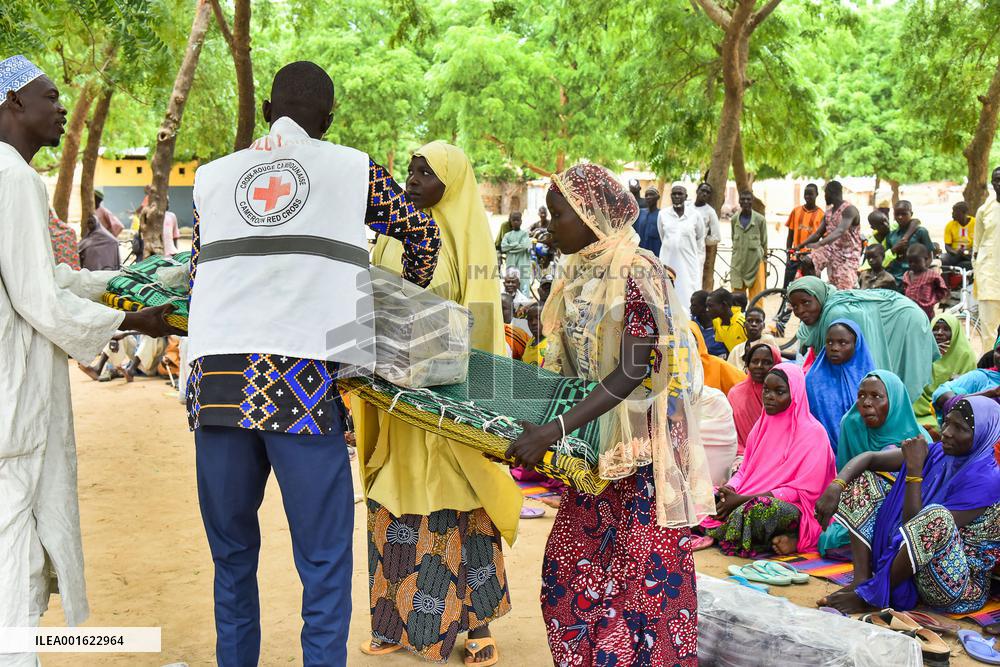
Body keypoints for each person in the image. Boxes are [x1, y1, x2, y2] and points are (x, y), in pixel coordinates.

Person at [185, 62, 442, 666]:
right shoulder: (353, 169)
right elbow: (422, 235)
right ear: (328, 120)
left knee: (231, 558)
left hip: (217, 384)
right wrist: (395, 310)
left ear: (268, 104)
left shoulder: (214, 179)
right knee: (323, 563)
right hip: (297, 386)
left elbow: (199, 273)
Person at [0, 55, 178, 666]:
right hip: (11, 412)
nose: (59, 109)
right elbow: (37, 300)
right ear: (13, 104)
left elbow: (44, 277)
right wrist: (134, 319)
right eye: (49, 97)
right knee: (14, 571)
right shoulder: (13, 178)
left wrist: (120, 284)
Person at [507, 163, 712, 667]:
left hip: (639, 457)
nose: (548, 225)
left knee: (641, 588)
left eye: (557, 215)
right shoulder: (577, 272)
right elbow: (567, 372)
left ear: (590, 216)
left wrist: (553, 430)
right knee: (568, 577)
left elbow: (635, 370)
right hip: (594, 449)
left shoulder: (638, 271)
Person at [364, 141, 515, 663]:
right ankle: (394, 623)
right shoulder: (390, 234)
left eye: (424, 173)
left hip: (450, 403)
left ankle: (477, 630)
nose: (411, 181)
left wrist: (484, 406)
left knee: (463, 501)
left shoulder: (469, 244)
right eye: (409, 171)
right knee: (397, 496)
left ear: (450, 181)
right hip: (398, 405)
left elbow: (484, 323)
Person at [816, 397, 1000, 616]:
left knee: (936, 517)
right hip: (916, 570)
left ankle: (871, 596)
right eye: (947, 422)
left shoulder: (987, 479)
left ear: (982, 434)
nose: (947, 432)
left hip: (958, 588)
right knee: (864, 480)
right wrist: (836, 485)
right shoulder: (940, 453)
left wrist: (914, 470)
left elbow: (914, 528)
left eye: (959, 428)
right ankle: (862, 580)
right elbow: (870, 458)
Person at [704, 364, 836, 556]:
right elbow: (744, 471)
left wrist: (742, 499)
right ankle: (747, 532)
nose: (769, 396)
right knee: (708, 495)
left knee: (760, 510)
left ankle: (783, 535)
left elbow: (801, 492)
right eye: (766, 389)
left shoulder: (814, 434)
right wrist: (731, 489)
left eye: (779, 391)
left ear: (795, 395)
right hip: (748, 494)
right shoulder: (761, 427)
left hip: (796, 507)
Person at [816, 370, 932, 555]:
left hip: (903, 513)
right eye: (861, 396)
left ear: (895, 401)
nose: (866, 403)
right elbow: (847, 478)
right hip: (861, 507)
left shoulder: (918, 438)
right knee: (830, 541)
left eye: (876, 396)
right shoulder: (852, 425)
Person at [787, 276, 937, 401]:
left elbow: (868, 353)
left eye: (806, 302)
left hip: (905, 319)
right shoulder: (818, 313)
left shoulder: (836, 314)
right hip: (892, 314)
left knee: (893, 381)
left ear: (818, 296)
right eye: (794, 306)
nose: (800, 311)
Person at [805, 319, 876, 453]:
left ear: (856, 345)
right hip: (821, 451)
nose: (834, 348)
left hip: (863, 452)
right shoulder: (813, 380)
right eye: (829, 342)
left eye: (843, 343)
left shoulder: (869, 379)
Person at [913, 315, 978, 429]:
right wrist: (931, 354)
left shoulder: (965, 355)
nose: (939, 332)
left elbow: (972, 388)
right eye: (935, 328)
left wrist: (959, 380)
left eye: (946, 329)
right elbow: (914, 381)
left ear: (955, 333)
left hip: (950, 408)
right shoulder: (922, 351)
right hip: (920, 406)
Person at [796, 181, 861, 290]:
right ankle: (813, 289)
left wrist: (820, 243)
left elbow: (840, 230)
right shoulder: (829, 213)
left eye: (825, 194)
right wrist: (801, 245)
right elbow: (817, 234)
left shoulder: (849, 210)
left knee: (842, 290)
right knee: (808, 261)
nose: (825, 197)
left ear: (831, 193)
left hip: (847, 257)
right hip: (831, 252)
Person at [726, 342, 782, 456]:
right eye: (755, 361)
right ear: (747, 364)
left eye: (767, 362)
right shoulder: (735, 394)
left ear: (776, 364)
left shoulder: (784, 395)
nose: (759, 366)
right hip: (742, 456)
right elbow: (730, 433)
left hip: (778, 455)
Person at [930, 336, 1000, 422]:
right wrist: (988, 394)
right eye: (999, 350)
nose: (940, 333)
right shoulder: (982, 378)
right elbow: (940, 393)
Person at [657, 183, 705, 305]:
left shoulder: (695, 215)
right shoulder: (663, 214)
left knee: (688, 293)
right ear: (670, 196)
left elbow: (700, 239)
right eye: (674, 194)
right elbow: (663, 236)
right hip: (668, 262)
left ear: (686, 196)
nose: (677, 196)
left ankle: (688, 320)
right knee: (668, 291)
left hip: (688, 263)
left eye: (680, 194)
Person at [974, 166, 1000, 343]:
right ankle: (991, 369)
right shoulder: (985, 210)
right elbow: (977, 246)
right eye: (997, 180)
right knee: (989, 332)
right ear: (992, 183)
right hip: (989, 279)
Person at [881, 201, 935, 284]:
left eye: (904, 214)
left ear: (911, 213)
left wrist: (922, 273)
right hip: (895, 275)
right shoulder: (891, 235)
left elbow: (930, 256)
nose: (900, 217)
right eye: (897, 214)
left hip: (916, 273)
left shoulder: (921, 232)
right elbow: (888, 259)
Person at [784, 183, 824, 287]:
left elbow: (824, 238)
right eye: (806, 194)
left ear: (817, 195)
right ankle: (785, 303)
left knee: (811, 288)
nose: (808, 197)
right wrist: (788, 252)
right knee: (790, 286)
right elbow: (790, 235)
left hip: (811, 258)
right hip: (796, 256)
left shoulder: (821, 214)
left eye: (810, 194)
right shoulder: (796, 211)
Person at [690, 322, 746, 395]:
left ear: (699, 338)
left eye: (692, 338)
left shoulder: (716, 365)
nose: (687, 343)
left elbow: (744, 384)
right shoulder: (672, 371)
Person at [730, 189, 768, 298]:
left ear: (752, 201)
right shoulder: (734, 220)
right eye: (743, 199)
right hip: (738, 266)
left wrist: (763, 260)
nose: (746, 202)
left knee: (757, 299)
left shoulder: (760, 220)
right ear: (739, 201)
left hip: (756, 265)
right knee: (736, 298)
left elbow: (764, 243)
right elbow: (733, 239)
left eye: (748, 199)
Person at [903, 243, 949, 320]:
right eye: (910, 262)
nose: (913, 264)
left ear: (926, 259)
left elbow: (943, 290)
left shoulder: (932, 275)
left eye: (917, 262)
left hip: (926, 312)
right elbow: (905, 288)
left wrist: (932, 300)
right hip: (910, 312)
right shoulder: (907, 275)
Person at [694, 182, 722, 291]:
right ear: (697, 191)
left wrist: (701, 240)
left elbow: (717, 237)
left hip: (698, 253)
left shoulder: (710, 212)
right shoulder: (687, 206)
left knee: (695, 281)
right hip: (683, 250)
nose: (704, 194)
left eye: (707, 192)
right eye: (702, 191)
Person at [501, 213, 533, 296]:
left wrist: (511, 248)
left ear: (521, 221)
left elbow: (525, 246)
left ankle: (524, 306)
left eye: (517, 220)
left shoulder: (525, 234)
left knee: (524, 285)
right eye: (513, 220)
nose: (515, 222)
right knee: (511, 285)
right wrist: (517, 244)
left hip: (523, 263)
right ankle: (510, 305)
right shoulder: (507, 235)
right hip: (511, 263)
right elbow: (504, 247)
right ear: (510, 222)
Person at [706, 288, 746, 354]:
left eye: (710, 306)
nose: (707, 309)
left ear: (724, 305)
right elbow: (725, 345)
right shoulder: (716, 322)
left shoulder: (742, 322)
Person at [690, 289, 727, 356]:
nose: (690, 308)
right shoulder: (693, 323)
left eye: (694, 305)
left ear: (704, 307)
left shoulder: (720, 324)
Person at [941, 201, 974, 269]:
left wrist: (968, 252)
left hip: (970, 254)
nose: (952, 214)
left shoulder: (975, 224)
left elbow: (979, 244)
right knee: (943, 259)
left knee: (972, 263)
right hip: (955, 254)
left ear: (964, 213)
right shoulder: (949, 225)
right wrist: (955, 252)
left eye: (955, 212)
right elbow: (947, 246)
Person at [632, 185, 661, 255]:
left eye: (651, 195)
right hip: (640, 251)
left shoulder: (661, 214)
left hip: (655, 252)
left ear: (657, 197)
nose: (648, 197)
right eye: (646, 195)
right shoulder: (640, 213)